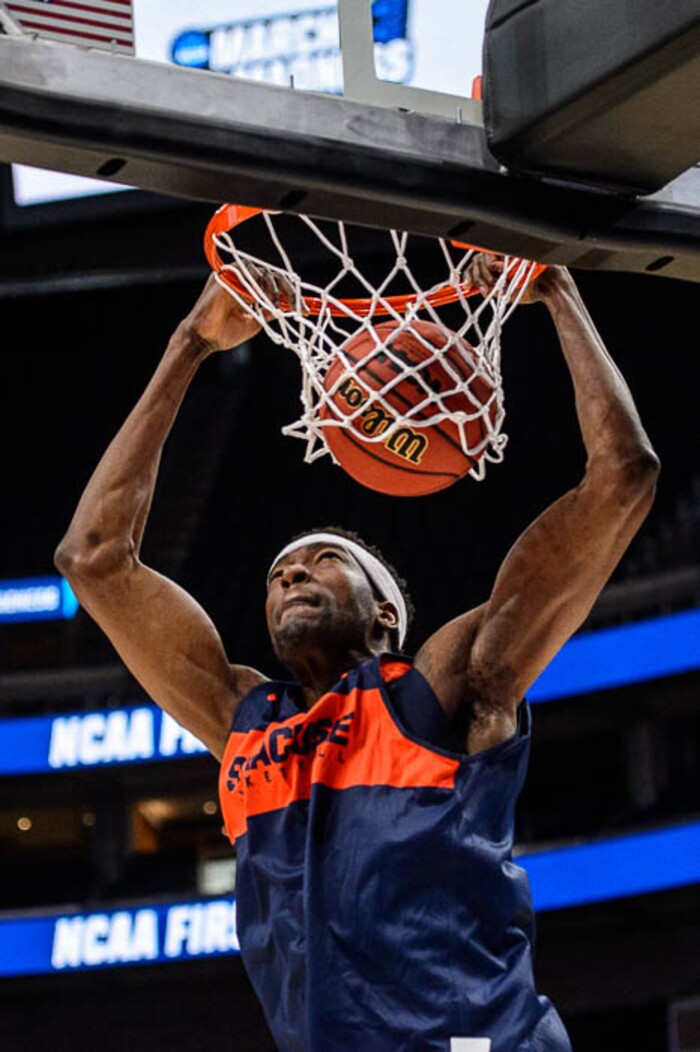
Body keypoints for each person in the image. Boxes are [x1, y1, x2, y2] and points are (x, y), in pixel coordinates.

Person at [55, 256, 659, 1052]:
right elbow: (93, 558)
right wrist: (190, 344)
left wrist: (555, 290)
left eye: (323, 559)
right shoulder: (245, 722)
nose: (292, 572)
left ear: (385, 612)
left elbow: (623, 477)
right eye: (278, 574)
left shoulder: (446, 685)